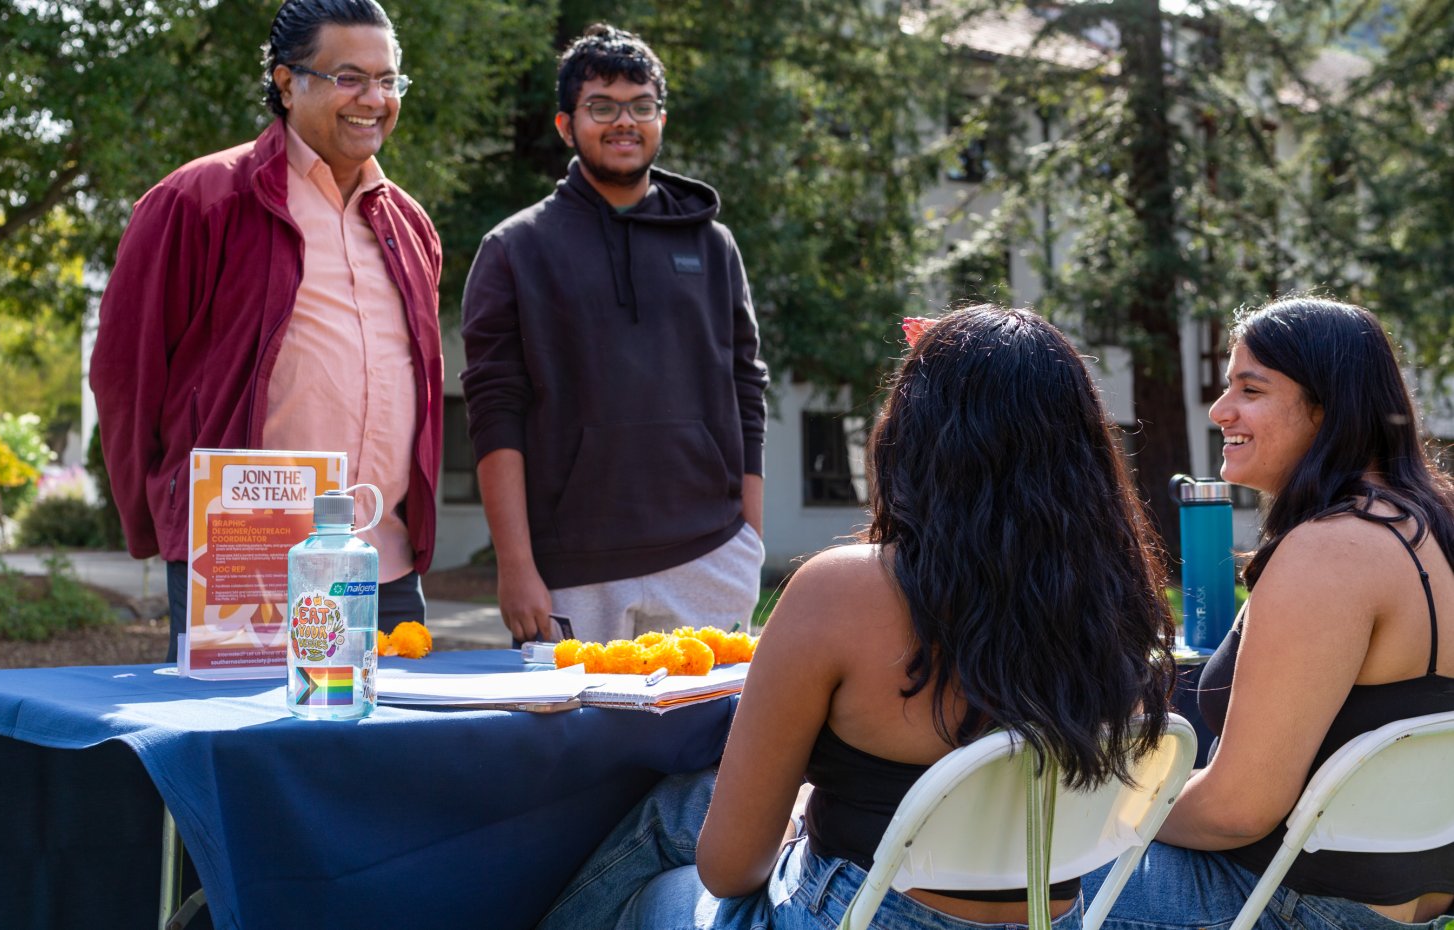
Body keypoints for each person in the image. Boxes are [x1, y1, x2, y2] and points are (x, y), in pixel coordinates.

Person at [536, 306, 1178, 930]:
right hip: (1053, 917)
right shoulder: (1119, 609)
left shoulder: (840, 592)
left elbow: (728, 871)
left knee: (660, 871)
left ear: (914, 438)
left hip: (865, 913)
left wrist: (799, 832)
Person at [90, 0, 443, 660]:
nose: (374, 100)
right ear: (287, 83)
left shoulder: (410, 226)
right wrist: (166, 518)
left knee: (388, 732)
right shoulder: (198, 200)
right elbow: (125, 375)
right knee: (245, 731)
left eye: (387, 80)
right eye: (349, 78)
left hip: (385, 567)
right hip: (245, 566)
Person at [1087, 297, 1454, 929]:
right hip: (1403, 905)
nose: (1220, 410)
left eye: (1250, 390)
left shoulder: (1332, 551)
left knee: (999, 877)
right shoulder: (1432, 525)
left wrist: (1105, 811)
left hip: (1288, 906)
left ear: (1328, 408)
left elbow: (1237, 811)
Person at [460, 23, 768, 645]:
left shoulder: (713, 245)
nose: (624, 122)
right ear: (565, 125)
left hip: (710, 557)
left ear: (661, 118)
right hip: (572, 571)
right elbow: (495, 414)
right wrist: (514, 566)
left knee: (716, 717)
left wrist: (749, 541)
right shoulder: (515, 248)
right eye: (602, 107)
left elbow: (747, 389)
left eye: (641, 106)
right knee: (576, 718)